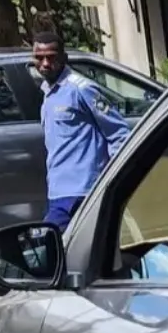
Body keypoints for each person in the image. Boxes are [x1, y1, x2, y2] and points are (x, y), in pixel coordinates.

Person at [31, 30, 132, 230]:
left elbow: (119, 134)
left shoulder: (81, 89)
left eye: (51, 58)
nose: (44, 64)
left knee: (54, 249)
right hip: (58, 192)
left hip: (84, 192)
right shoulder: (48, 93)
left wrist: (113, 182)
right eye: (39, 58)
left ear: (63, 58)